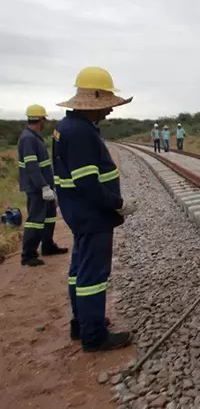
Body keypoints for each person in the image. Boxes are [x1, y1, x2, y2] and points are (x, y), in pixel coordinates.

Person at [52, 66, 137, 351]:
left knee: (79, 269)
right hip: (92, 215)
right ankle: (94, 335)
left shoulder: (67, 127)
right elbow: (88, 182)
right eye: (106, 105)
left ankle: (82, 323)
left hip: (79, 212)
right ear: (94, 101)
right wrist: (119, 204)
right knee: (94, 275)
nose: (110, 111)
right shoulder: (80, 133)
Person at [17, 104, 68, 266]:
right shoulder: (28, 139)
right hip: (37, 188)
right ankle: (28, 255)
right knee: (35, 220)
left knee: (49, 216)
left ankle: (47, 246)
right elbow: (32, 166)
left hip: (44, 186)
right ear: (41, 119)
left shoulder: (33, 136)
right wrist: (43, 187)